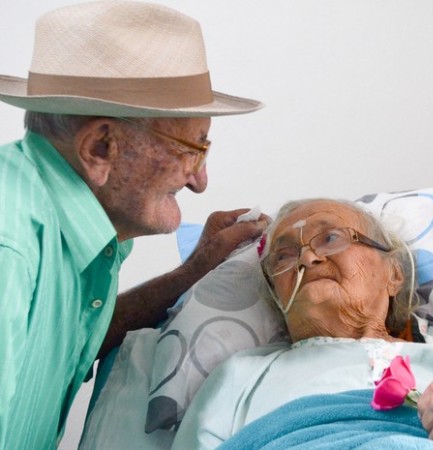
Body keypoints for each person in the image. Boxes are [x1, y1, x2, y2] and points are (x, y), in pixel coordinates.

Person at [0, 2, 269, 448]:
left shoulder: (67, 225)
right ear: (101, 147)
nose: (201, 180)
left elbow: (57, 344)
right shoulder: (9, 245)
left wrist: (192, 273)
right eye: (191, 148)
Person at [169, 198, 433, 449]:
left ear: (393, 274)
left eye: (331, 237)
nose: (307, 257)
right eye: (283, 255)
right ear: (278, 298)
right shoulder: (241, 374)